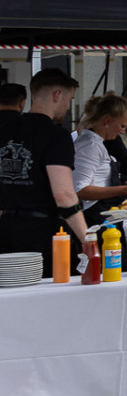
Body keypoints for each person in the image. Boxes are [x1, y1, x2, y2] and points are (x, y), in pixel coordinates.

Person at [0, 68, 88, 281]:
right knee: (47, 298)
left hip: (4, 229)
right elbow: (64, 195)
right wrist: (87, 237)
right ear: (57, 95)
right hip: (43, 235)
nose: (68, 106)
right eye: (69, 99)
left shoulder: (4, 128)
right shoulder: (56, 135)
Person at [72, 93, 127, 219]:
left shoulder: (96, 143)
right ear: (107, 121)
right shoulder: (90, 146)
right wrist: (122, 190)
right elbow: (81, 189)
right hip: (93, 216)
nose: (122, 132)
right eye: (122, 126)